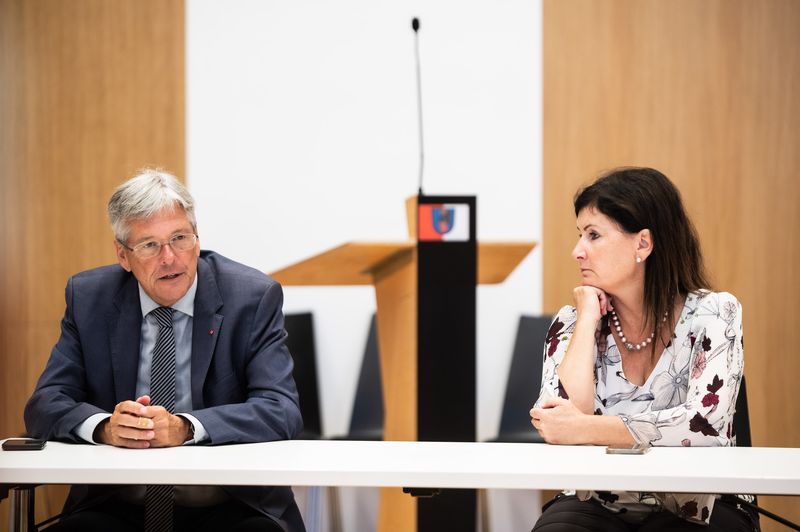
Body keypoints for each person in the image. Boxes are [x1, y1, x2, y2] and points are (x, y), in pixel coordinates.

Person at [25, 169, 305, 532]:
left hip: (229, 505)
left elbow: (281, 409)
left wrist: (186, 428)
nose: (170, 258)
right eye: (149, 245)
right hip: (116, 506)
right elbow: (45, 403)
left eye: (179, 238)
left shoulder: (251, 298)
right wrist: (106, 428)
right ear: (123, 255)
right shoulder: (89, 298)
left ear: (197, 239)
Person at [529, 167, 759, 531]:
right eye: (579, 235)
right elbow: (557, 423)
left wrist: (587, 428)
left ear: (643, 244)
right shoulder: (572, 321)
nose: (577, 251)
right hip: (599, 500)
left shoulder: (716, 313)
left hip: (701, 499)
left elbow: (703, 426)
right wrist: (587, 320)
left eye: (593, 235)